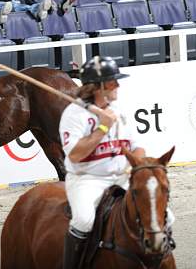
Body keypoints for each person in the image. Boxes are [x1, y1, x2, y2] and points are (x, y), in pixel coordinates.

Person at [59, 56, 148, 269]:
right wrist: (103, 128)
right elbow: (75, 155)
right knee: (83, 221)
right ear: (97, 87)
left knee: (165, 216)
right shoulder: (74, 115)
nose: (117, 85)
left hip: (121, 176)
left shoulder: (118, 110)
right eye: (112, 81)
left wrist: (137, 166)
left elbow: (138, 147)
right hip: (87, 179)